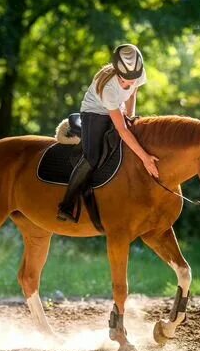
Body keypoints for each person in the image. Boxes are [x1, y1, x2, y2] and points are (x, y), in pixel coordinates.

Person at [57, 44, 160, 222]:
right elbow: (121, 129)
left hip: (116, 108)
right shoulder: (108, 88)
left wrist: (131, 115)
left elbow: (132, 93)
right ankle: (66, 204)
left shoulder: (136, 74)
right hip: (94, 112)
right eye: (124, 81)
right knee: (92, 158)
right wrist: (145, 158)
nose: (129, 84)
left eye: (133, 80)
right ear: (117, 73)